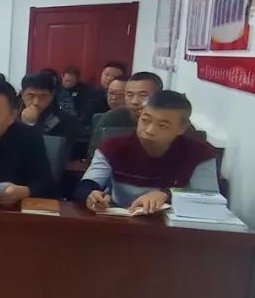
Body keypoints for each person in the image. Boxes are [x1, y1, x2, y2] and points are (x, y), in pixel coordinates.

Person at [75, 90, 218, 213]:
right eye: (145, 120)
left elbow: (208, 200)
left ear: (182, 128)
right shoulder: (112, 146)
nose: (149, 130)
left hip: (171, 226)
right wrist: (91, 195)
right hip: (120, 218)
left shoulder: (200, 153)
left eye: (162, 125)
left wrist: (167, 195)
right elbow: (86, 185)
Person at [89, 71, 163, 156]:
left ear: (159, 97)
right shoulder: (114, 117)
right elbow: (94, 154)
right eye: (129, 95)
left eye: (143, 95)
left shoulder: (168, 121)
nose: (134, 101)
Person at [18, 71, 82, 154]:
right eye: (31, 96)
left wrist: (30, 124)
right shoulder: (10, 115)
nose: (36, 102)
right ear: (22, 94)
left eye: (42, 97)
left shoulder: (65, 122)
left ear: (52, 96)